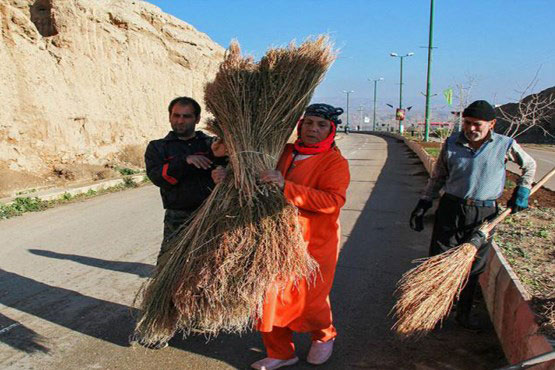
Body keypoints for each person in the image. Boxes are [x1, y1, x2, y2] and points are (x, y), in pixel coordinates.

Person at [409, 100, 536, 330]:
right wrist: (424, 202)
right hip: (451, 209)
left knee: (473, 266)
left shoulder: (505, 145)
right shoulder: (451, 143)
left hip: (484, 213)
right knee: (440, 260)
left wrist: (523, 190)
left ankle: (463, 314)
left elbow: (530, 165)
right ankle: (436, 313)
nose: (470, 129)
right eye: (466, 123)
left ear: (491, 124)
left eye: (477, 124)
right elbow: (438, 176)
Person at [250, 103, 350, 369]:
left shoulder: (334, 162)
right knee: (269, 295)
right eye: (309, 123)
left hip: (315, 242)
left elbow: (332, 201)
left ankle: (324, 336)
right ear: (300, 126)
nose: (313, 130)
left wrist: (285, 186)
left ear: (331, 130)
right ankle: (281, 352)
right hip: (277, 239)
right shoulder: (284, 151)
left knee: (311, 298)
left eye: (321, 125)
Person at [145, 96, 226, 268]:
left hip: (212, 213)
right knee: (170, 265)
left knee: (210, 266)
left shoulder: (211, 144)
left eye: (186, 116)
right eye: (176, 115)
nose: (180, 121)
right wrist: (185, 160)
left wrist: (221, 166)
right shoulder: (157, 147)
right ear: (169, 117)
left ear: (197, 119)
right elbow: (158, 178)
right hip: (178, 218)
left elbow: (228, 170)